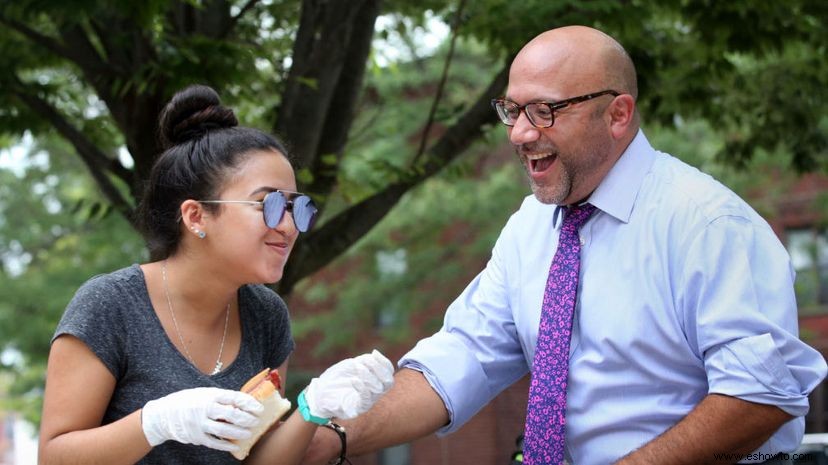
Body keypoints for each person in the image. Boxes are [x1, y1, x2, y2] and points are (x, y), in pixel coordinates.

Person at [304, 25, 828, 465]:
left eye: (544, 111)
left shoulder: (708, 224)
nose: (520, 135)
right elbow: (465, 356)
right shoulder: (530, 226)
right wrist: (326, 438)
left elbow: (760, 395)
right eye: (512, 111)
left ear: (618, 114)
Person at [38, 84, 394, 465]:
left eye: (296, 207)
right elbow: (54, 456)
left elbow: (258, 461)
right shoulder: (110, 304)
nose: (289, 227)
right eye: (268, 205)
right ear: (196, 216)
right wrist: (155, 422)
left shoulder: (266, 315)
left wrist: (312, 407)